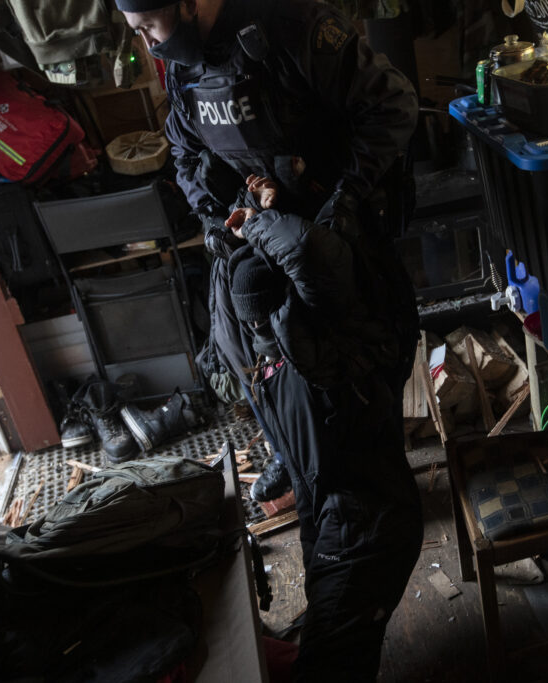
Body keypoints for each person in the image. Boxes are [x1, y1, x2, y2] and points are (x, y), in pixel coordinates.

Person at [116, 0, 422, 678]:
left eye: (150, 26)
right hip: (265, 278)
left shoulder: (290, 27)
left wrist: (331, 215)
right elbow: (191, 158)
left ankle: (343, 614)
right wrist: (227, 214)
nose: (144, 44)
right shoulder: (186, 63)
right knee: (308, 455)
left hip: (339, 278)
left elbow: (394, 108)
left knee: (355, 479)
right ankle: (328, 601)